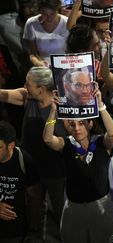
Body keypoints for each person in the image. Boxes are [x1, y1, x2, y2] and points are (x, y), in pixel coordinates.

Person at [42, 84, 113, 243]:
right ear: (68, 127)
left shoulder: (100, 143)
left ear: (90, 124)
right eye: (72, 124)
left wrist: (101, 106)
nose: (77, 128)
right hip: (73, 209)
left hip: (101, 207)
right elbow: (48, 139)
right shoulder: (66, 144)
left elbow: (112, 133)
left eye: (81, 123)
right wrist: (53, 111)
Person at [0, 66, 68, 241]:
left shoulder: (63, 108)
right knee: (31, 206)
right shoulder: (27, 97)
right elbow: (3, 94)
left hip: (55, 172)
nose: (24, 85)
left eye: (28, 83)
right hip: (28, 169)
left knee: (61, 210)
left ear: (41, 89)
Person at [0, 121, 43, 242]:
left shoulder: (24, 160)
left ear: (11, 146)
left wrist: (33, 228)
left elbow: (35, 197)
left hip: (15, 230)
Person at [22, 0, 69, 67]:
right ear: (40, 11)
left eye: (52, 14)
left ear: (58, 10)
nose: (49, 18)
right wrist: (37, 63)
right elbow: (33, 53)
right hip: (44, 66)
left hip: (65, 64)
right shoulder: (31, 24)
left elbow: (73, 51)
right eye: (45, 14)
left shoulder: (67, 22)